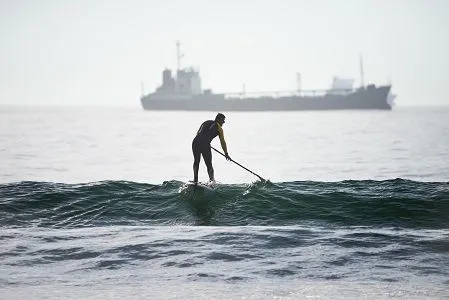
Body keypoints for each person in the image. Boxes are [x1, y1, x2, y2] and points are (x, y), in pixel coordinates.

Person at [192, 113, 231, 183]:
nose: (224, 122)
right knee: (209, 164)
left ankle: (195, 180)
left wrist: (203, 141)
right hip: (204, 145)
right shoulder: (220, 129)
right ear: (218, 119)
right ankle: (212, 181)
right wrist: (226, 153)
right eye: (223, 120)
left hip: (195, 142)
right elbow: (222, 142)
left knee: (196, 161)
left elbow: (198, 133)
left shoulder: (205, 122)